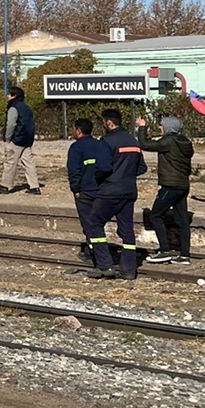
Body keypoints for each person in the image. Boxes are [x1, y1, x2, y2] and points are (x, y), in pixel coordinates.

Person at [86, 108, 146, 281]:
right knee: (127, 230)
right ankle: (129, 270)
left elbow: (103, 167)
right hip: (129, 191)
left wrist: (97, 178)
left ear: (108, 122)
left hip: (110, 191)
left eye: (104, 122)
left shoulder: (106, 141)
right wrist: (126, 175)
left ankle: (104, 265)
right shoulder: (133, 141)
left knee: (94, 223)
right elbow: (142, 168)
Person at [136, 114, 194, 264]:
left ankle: (164, 250)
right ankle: (185, 255)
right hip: (183, 184)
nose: (160, 128)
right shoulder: (185, 141)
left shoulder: (168, 141)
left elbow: (144, 144)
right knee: (182, 220)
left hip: (170, 185)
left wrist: (142, 127)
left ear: (168, 128)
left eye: (162, 126)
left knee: (155, 215)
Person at [66, 117, 109, 263]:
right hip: (101, 189)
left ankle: (94, 253)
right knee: (97, 222)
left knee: (88, 223)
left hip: (84, 191)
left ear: (78, 131)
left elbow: (74, 170)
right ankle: (96, 250)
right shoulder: (101, 144)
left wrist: (75, 189)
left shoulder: (76, 147)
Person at [0, 87, 40, 194]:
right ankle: (34, 186)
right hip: (27, 140)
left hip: (16, 139)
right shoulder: (27, 108)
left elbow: (11, 124)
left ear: (14, 96)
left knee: (10, 163)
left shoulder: (13, 108)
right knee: (29, 163)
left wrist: (7, 138)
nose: (7, 96)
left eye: (9, 94)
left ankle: (6, 186)